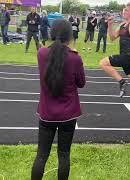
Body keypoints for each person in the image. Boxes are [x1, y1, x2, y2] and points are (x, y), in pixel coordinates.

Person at [31, 19, 85, 180]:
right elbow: (81, 83)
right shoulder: (75, 58)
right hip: (68, 115)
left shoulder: (41, 53)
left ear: (52, 33)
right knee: (64, 154)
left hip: (47, 113)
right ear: (70, 35)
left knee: (41, 155)